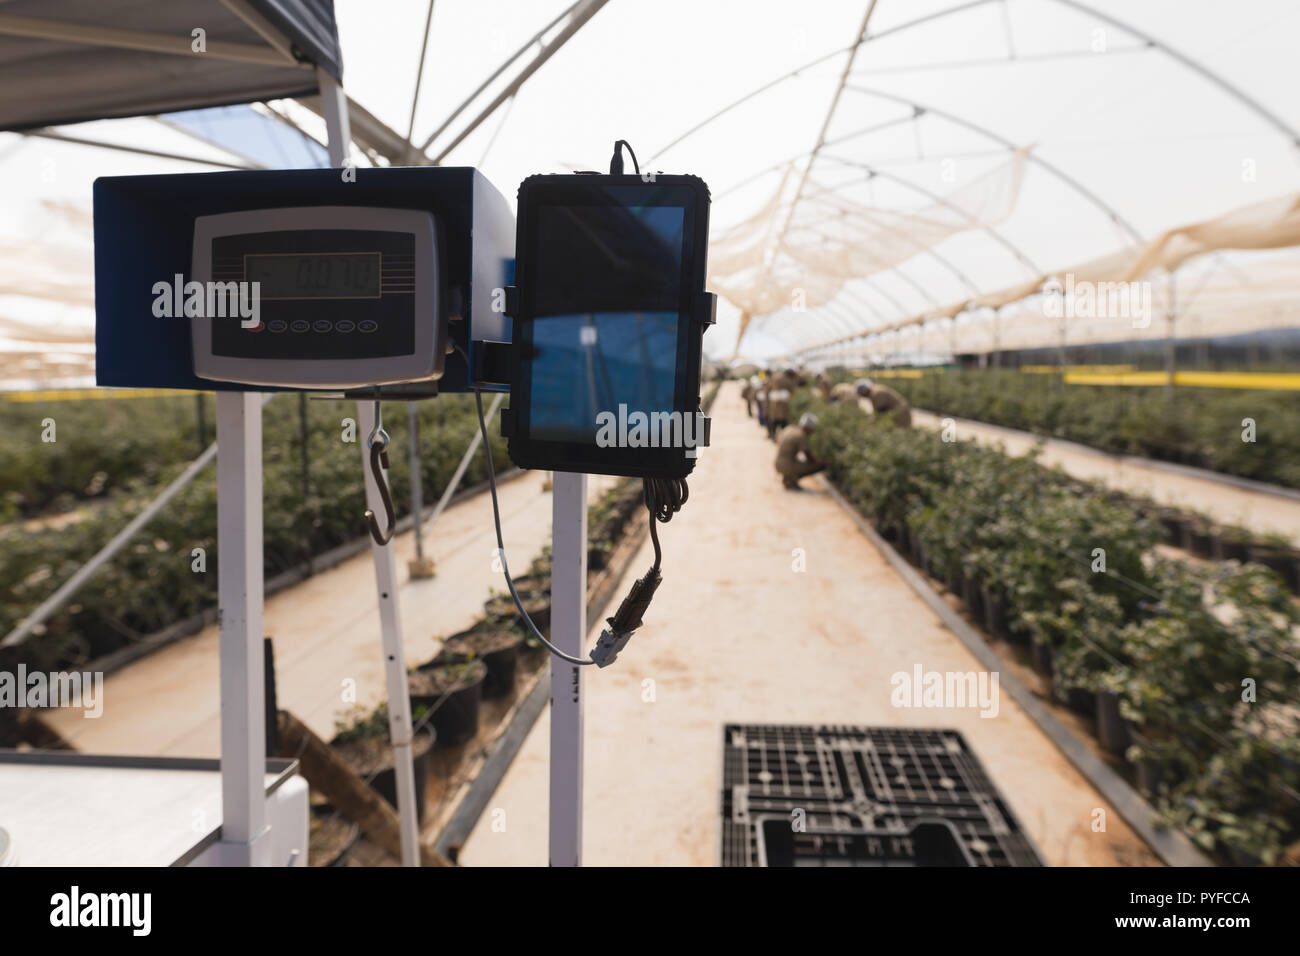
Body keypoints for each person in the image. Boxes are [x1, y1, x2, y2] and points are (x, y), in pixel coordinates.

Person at [775, 413, 826, 489]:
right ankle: (791, 480)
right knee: (819, 466)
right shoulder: (801, 435)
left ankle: (788, 478)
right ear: (808, 428)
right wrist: (824, 462)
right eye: (812, 429)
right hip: (786, 466)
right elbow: (810, 458)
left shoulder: (790, 428)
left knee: (795, 461)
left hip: (777, 463)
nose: (812, 432)